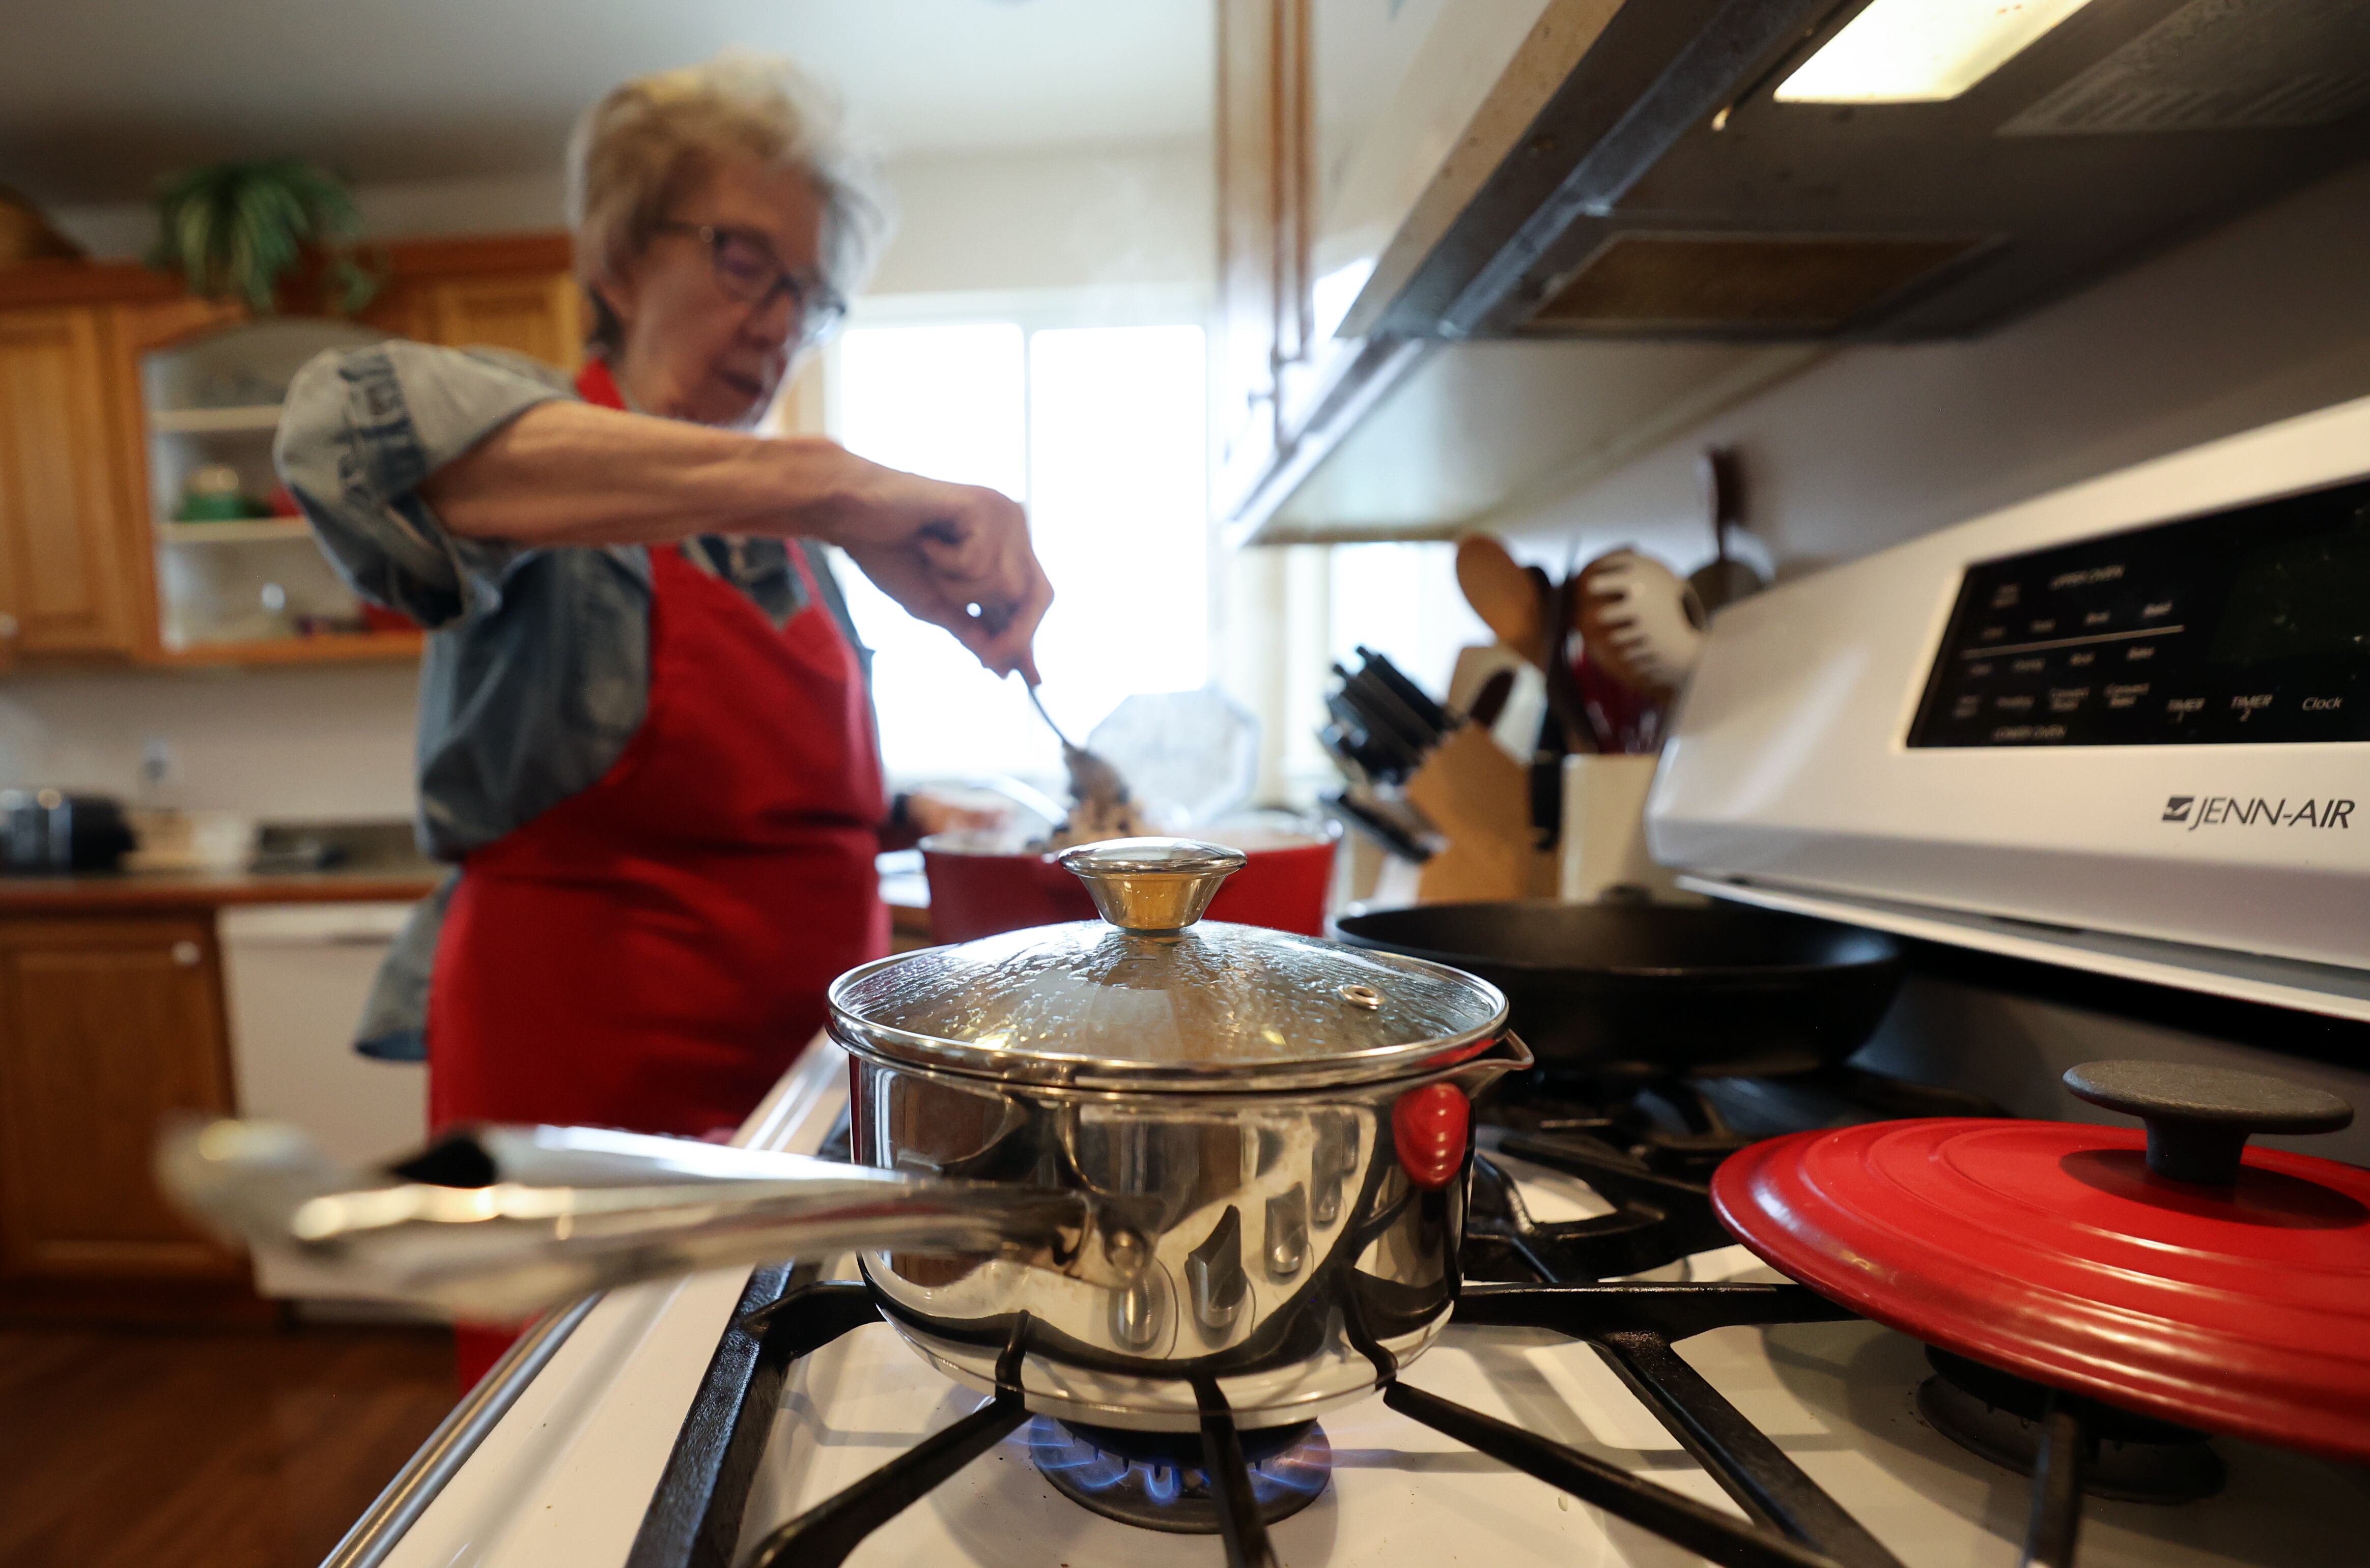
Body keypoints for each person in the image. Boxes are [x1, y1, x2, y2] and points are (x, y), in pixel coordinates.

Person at [275, 52, 1051, 1386]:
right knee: (584, 1442)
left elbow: (781, 797)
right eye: (746, 260)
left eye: (807, 291)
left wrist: (913, 813)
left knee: (772, 1426)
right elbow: (335, 434)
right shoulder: (550, 473)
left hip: (798, 1096)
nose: (778, 321)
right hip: (587, 1101)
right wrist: (829, 484)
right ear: (624, 258)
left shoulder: (803, 551)